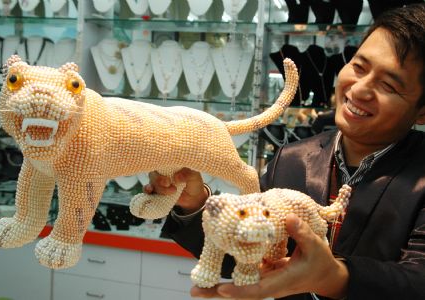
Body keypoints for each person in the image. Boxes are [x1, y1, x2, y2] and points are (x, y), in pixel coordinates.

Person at [144, 4, 425, 299]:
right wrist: (194, 204)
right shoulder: (292, 159)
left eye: (389, 85)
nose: (360, 90)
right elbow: (245, 249)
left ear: (421, 111)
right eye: (359, 66)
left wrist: (335, 277)